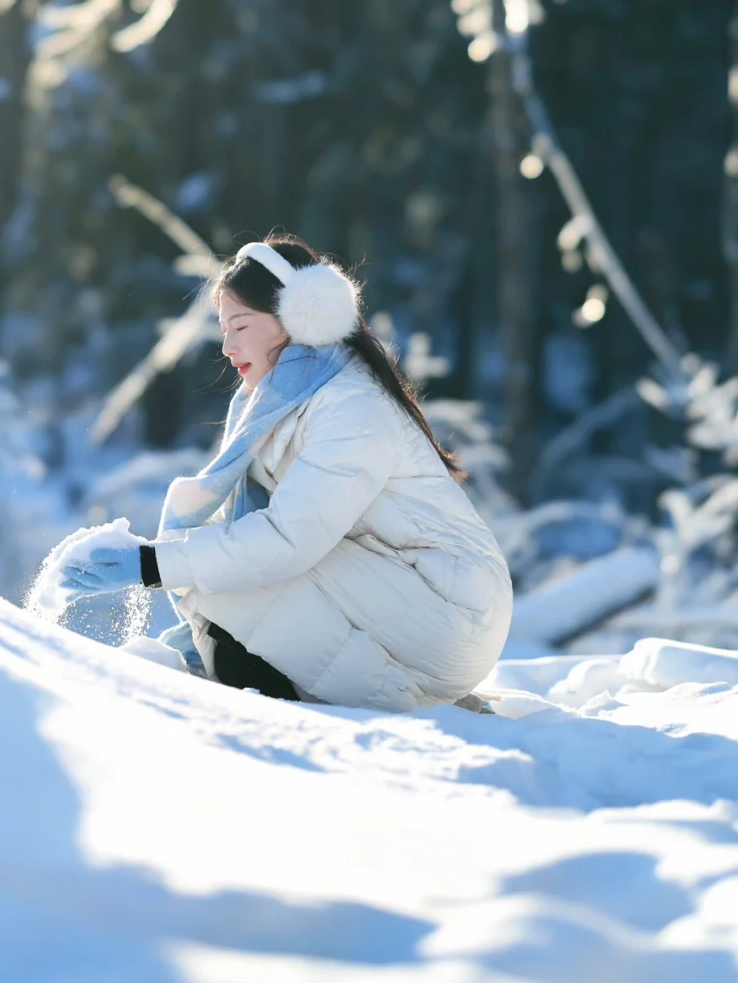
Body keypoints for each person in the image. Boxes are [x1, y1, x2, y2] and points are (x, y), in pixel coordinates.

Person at [60, 235, 513, 712]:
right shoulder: (287, 403)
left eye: (240, 326)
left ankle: (399, 704)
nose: (228, 347)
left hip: (455, 612)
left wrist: (154, 563)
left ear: (299, 317)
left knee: (229, 589)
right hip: (399, 587)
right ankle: (332, 701)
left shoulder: (352, 404)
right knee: (221, 579)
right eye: (223, 329)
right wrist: (161, 557)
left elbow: (287, 539)